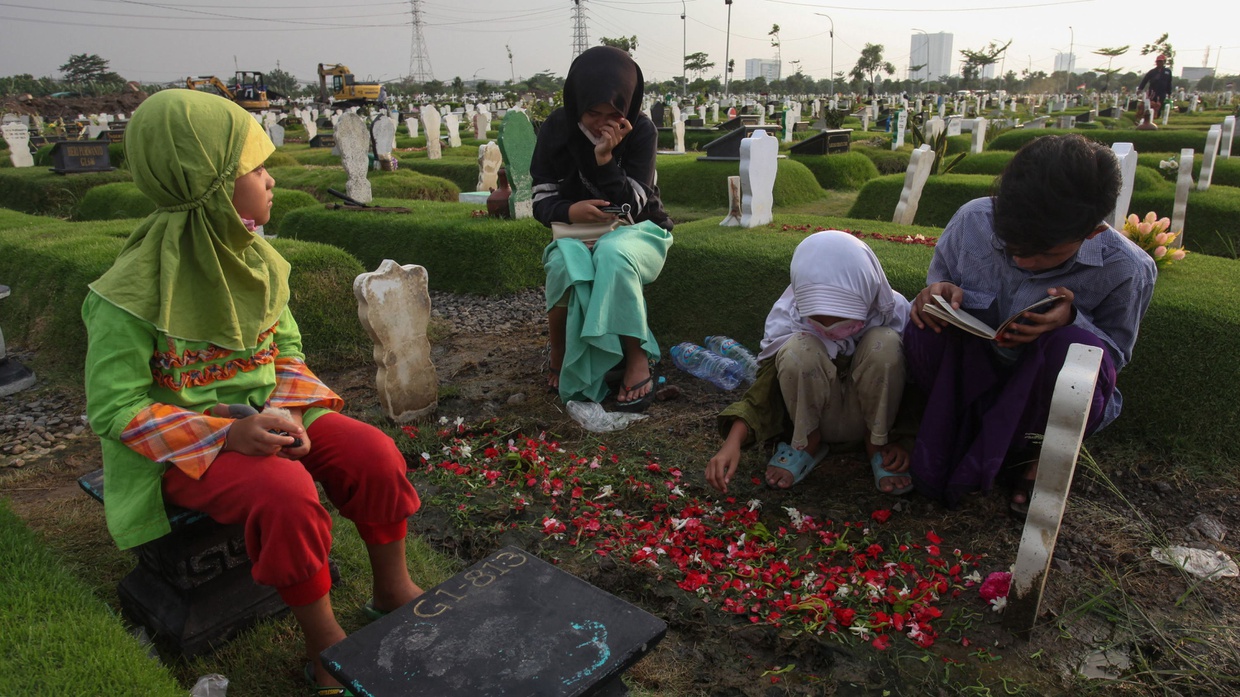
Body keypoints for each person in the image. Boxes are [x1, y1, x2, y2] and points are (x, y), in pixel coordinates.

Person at [83, 89, 423, 697]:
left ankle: (391, 588)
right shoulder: (125, 294)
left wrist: (282, 411)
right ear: (210, 183)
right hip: (189, 445)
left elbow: (286, 353)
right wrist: (228, 432)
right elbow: (115, 407)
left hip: (271, 413)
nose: (270, 181)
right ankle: (328, 644)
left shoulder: (259, 261)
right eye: (256, 169)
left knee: (374, 455)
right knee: (285, 493)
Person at [904, 134, 1157, 516]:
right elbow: (939, 289)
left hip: (1038, 392)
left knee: (1077, 350)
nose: (1023, 262)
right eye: (1011, 247)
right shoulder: (974, 220)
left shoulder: (1126, 268)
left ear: (1092, 231)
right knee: (924, 325)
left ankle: (1038, 456)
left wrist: (1072, 320)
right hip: (972, 374)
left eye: (1044, 253)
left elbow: (1114, 361)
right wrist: (936, 294)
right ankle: (954, 428)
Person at [706, 231, 912, 495]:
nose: (831, 331)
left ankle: (877, 443)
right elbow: (764, 389)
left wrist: (908, 440)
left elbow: (915, 386)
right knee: (796, 349)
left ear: (868, 293)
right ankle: (807, 443)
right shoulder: (789, 319)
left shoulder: (893, 314)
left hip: (874, 422)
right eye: (818, 322)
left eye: (845, 320)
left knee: (886, 343)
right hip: (810, 420)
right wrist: (732, 441)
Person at [531, 45, 673, 411]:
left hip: (639, 232)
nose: (601, 124)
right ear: (576, 101)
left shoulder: (641, 130)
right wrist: (570, 209)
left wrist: (606, 159)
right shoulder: (557, 128)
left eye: (614, 114)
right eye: (593, 112)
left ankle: (636, 355)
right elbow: (540, 197)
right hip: (576, 232)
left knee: (613, 252)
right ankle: (560, 353)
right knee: (564, 265)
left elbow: (633, 205)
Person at [1136, 54, 1173, 122]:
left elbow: (1169, 83)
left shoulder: (1168, 71)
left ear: (1164, 62)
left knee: (1160, 105)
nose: (1159, 63)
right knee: (1152, 104)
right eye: (1158, 61)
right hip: (1153, 92)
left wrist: (1169, 93)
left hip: (1162, 92)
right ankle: (1149, 118)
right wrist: (1140, 89)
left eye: (1161, 61)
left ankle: (1157, 117)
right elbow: (1145, 80)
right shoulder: (1152, 72)